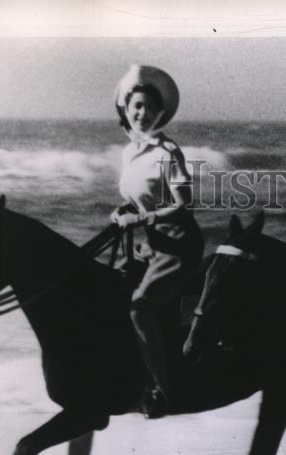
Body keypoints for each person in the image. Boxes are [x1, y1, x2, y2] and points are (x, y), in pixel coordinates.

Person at [112, 64, 204, 419]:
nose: (142, 113)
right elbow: (139, 196)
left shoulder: (168, 152)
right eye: (137, 106)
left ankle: (165, 391)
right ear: (126, 108)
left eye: (149, 108)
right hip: (150, 243)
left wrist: (142, 217)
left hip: (178, 244)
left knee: (139, 307)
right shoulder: (129, 151)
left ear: (159, 113)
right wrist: (123, 210)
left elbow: (184, 206)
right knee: (110, 290)